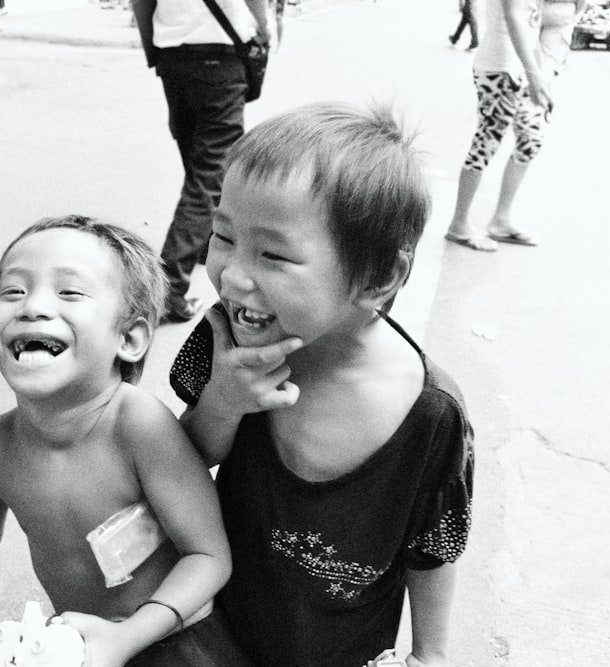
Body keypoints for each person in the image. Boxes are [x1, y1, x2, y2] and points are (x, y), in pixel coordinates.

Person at [168, 102, 475, 667]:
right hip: (215, 634)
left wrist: (431, 655)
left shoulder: (428, 414)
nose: (233, 276)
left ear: (379, 276)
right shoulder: (228, 342)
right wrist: (223, 403)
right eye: (223, 236)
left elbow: (431, 547)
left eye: (274, 255)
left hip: (342, 651)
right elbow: (176, 467)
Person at [0, 215, 246, 667]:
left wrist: (127, 638)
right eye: (13, 292)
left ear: (130, 337)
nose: (33, 307)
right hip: (76, 646)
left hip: (177, 638)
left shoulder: (137, 425)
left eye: (70, 292)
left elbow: (209, 556)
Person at [132, 0, 269, 324]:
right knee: (210, 174)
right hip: (220, 52)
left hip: (172, 55)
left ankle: (201, 242)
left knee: (198, 158)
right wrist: (263, 32)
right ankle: (168, 288)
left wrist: (155, 48)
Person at [444, 0, 552, 251]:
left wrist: (540, 73)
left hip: (522, 70)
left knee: (530, 140)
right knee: (487, 142)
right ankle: (458, 224)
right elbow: (513, 16)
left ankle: (501, 220)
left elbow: (531, 25)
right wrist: (534, 73)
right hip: (499, 68)